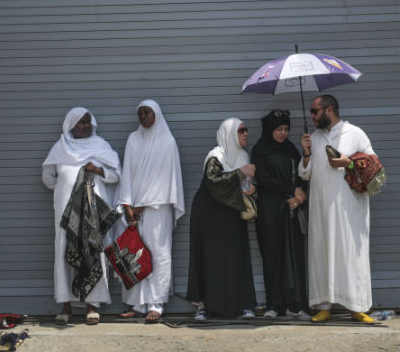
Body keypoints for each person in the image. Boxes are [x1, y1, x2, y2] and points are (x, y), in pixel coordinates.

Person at [299, 95, 376, 323]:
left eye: (315, 111)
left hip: (350, 210)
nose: (312, 116)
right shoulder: (314, 137)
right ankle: (324, 306)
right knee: (322, 254)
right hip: (321, 210)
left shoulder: (355, 134)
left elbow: (374, 167)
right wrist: (306, 153)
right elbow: (305, 173)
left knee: (352, 254)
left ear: (329, 110)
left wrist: (348, 163)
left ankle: (358, 307)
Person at [42, 108, 121, 326]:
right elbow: (47, 176)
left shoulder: (101, 146)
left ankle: (91, 306)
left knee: (92, 251)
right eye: (81, 123)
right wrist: (64, 191)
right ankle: (66, 306)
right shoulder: (60, 148)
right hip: (66, 214)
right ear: (71, 125)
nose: (85, 126)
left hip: (93, 214)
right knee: (64, 253)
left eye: (88, 122)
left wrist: (98, 170)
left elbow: (115, 176)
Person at [116, 100, 185, 323]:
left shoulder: (167, 142)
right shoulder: (133, 139)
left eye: (147, 113)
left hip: (157, 208)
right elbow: (127, 173)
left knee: (158, 252)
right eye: (140, 114)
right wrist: (127, 205)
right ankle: (137, 303)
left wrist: (142, 205)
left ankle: (156, 303)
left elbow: (167, 180)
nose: (144, 117)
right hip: (133, 209)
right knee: (135, 252)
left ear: (157, 115)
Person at [186, 117, 257, 320]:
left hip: (232, 213)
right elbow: (213, 181)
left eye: (246, 130)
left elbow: (244, 186)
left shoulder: (243, 156)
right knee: (209, 258)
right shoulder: (215, 156)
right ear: (229, 134)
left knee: (235, 256)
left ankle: (242, 304)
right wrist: (239, 173)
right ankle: (203, 305)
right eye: (241, 130)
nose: (246, 134)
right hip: (209, 215)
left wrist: (251, 189)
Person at [251, 109, 309, 319]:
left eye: (286, 129)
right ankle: (274, 305)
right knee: (272, 257)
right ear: (269, 129)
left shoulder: (291, 149)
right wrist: (291, 190)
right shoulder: (259, 150)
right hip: (268, 212)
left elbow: (301, 177)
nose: (283, 133)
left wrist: (298, 196)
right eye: (279, 129)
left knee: (293, 257)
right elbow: (264, 179)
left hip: (290, 211)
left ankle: (297, 305)